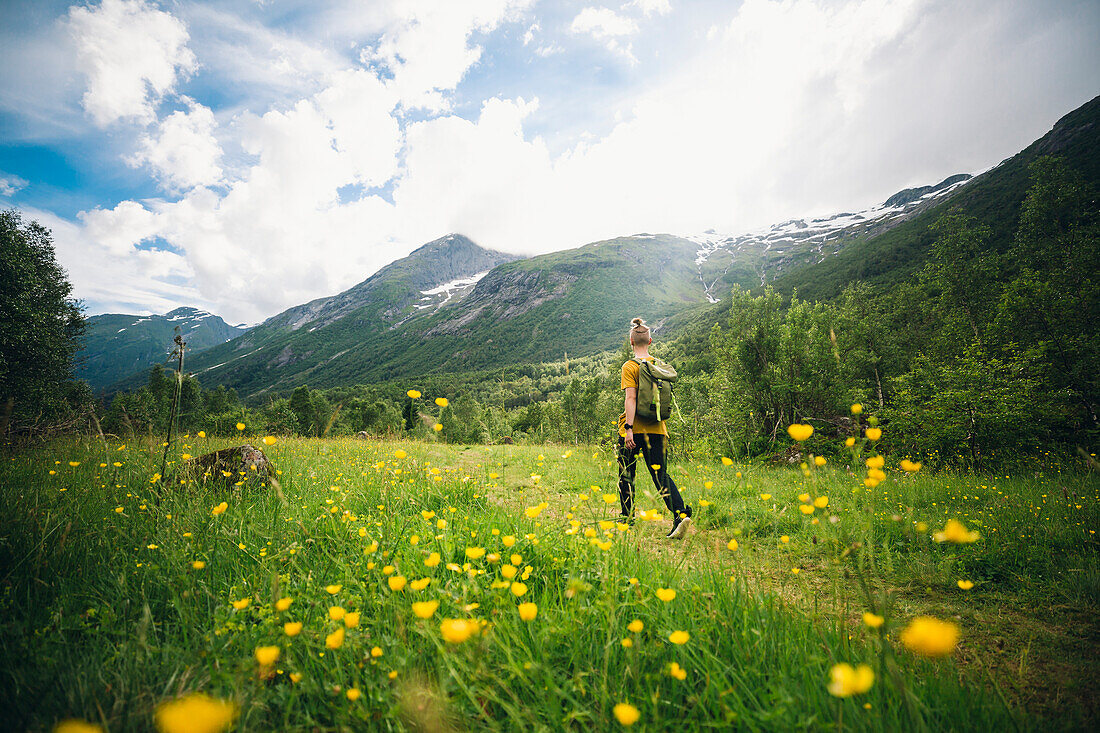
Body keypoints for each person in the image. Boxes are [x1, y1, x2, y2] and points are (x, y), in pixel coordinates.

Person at [617, 317, 692, 539]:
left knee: (626, 474)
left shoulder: (630, 366)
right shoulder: (659, 365)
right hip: (658, 430)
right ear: (649, 341)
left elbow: (631, 399)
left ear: (631, 342)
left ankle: (627, 518)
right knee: (661, 476)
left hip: (634, 430)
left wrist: (629, 428)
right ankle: (680, 515)